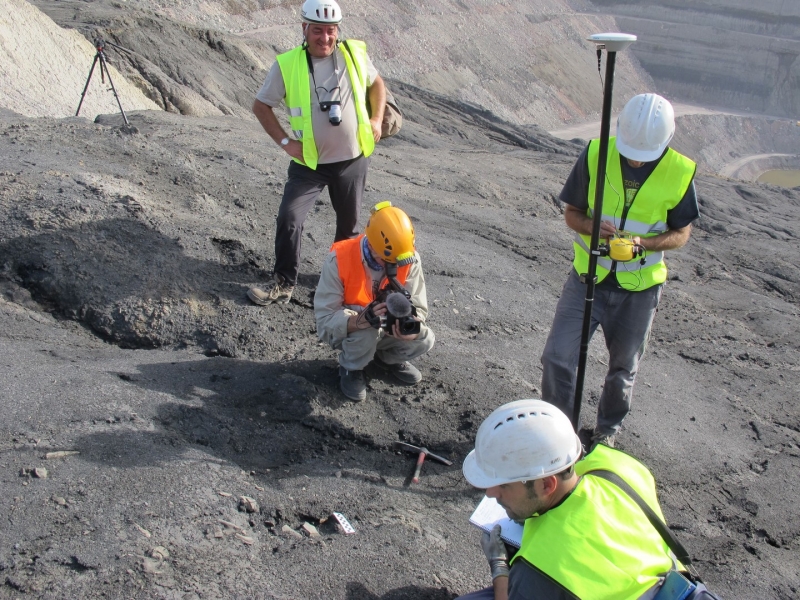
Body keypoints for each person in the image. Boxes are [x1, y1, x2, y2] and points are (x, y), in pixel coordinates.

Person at [540, 93, 700, 448]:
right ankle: (559, 434)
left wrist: (644, 244)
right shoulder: (597, 154)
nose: (635, 161)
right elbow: (572, 214)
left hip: (639, 290)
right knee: (557, 357)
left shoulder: (678, 170)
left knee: (622, 370)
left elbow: (681, 232)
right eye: (630, 153)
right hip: (587, 279)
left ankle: (605, 434)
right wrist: (592, 226)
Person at [459, 399, 702, 600]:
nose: (490, 493)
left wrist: (499, 566)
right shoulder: (621, 467)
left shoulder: (541, 571)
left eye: (503, 485)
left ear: (546, 484)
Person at [248, 0, 387, 306]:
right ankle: (284, 283)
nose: (325, 38)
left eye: (330, 30)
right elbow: (261, 106)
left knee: (348, 230)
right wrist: (285, 143)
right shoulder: (287, 65)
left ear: (337, 30)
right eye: (318, 31)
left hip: (352, 159)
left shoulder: (352, 54)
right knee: (289, 217)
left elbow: (377, 84)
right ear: (304, 29)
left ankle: (337, 289)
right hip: (309, 162)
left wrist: (376, 119)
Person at [314, 201, 435, 401]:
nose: (394, 266)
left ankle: (386, 360)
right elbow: (324, 319)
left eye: (398, 261)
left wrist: (409, 325)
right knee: (368, 330)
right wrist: (358, 321)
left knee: (424, 336)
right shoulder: (339, 259)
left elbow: (420, 309)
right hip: (353, 330)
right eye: (388, 260)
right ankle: (351, 367)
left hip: (387, 328)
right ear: (371, 244)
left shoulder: (408, 258)